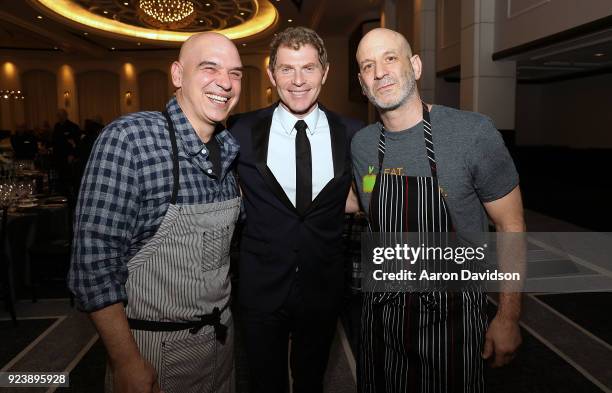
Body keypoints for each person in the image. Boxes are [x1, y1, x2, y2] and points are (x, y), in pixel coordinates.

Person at [350, 28, 525, 392]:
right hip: (382, 318)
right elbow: (363, 202)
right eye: (368, 65)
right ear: (362, 83)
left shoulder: (472, 132)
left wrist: (508, 316)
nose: (379, 71)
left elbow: (511, 224)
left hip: (453, 319)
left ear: (415, 66)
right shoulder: (363, 144)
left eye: (390, 58)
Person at [68, 32, 243, 393]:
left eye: (236, 73)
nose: (225, 83)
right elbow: (93, 266)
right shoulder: (131, 139)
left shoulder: (229, 149)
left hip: (221, 347)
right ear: (178, 75)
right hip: (153, 352)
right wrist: (126, 361)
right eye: (209, 68)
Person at [228, 26, 364, 393]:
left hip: (324, 286)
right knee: (263, 382)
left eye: (308, 68)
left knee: (311, 380)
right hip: (261, 288)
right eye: (287, 69)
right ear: (272, 74)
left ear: (325, 72)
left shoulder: (354, 133)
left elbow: (367, 193)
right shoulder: (239, 130)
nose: (298, 80)